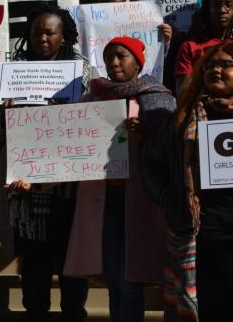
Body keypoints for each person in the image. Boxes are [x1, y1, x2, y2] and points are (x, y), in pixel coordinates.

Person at [0, 5, 92, 322]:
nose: (42, 38)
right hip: (28, 194)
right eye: (36, 32)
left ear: (64, 37)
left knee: (73, 273)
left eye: (50, 32)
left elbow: (92, 123)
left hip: (69, 191)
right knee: (34, 277)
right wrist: (6, 114)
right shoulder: (14, 71)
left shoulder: (82, 72)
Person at [65, 37, 175, 322]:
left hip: (141, 202)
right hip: (104, 202)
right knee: (115, 280)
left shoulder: (157, 96)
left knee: (130, 280)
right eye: (109, 57)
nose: (114, 63)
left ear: (138, 63)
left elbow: (174, 149)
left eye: (121, 56)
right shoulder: (92, 100)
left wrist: (145, 137)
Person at [154, 41, 233, 322]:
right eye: (211, 66)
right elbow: (154, 165)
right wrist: (169, 197)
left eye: (226, 65)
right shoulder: (184, 117)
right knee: (213, 305)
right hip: (203, 228)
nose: (217, 70)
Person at [175, 0, 233, 93]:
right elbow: (183, 93)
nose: (222, 10)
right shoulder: (189, 47)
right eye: (216, 5)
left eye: (228, 4)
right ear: (207, 9)